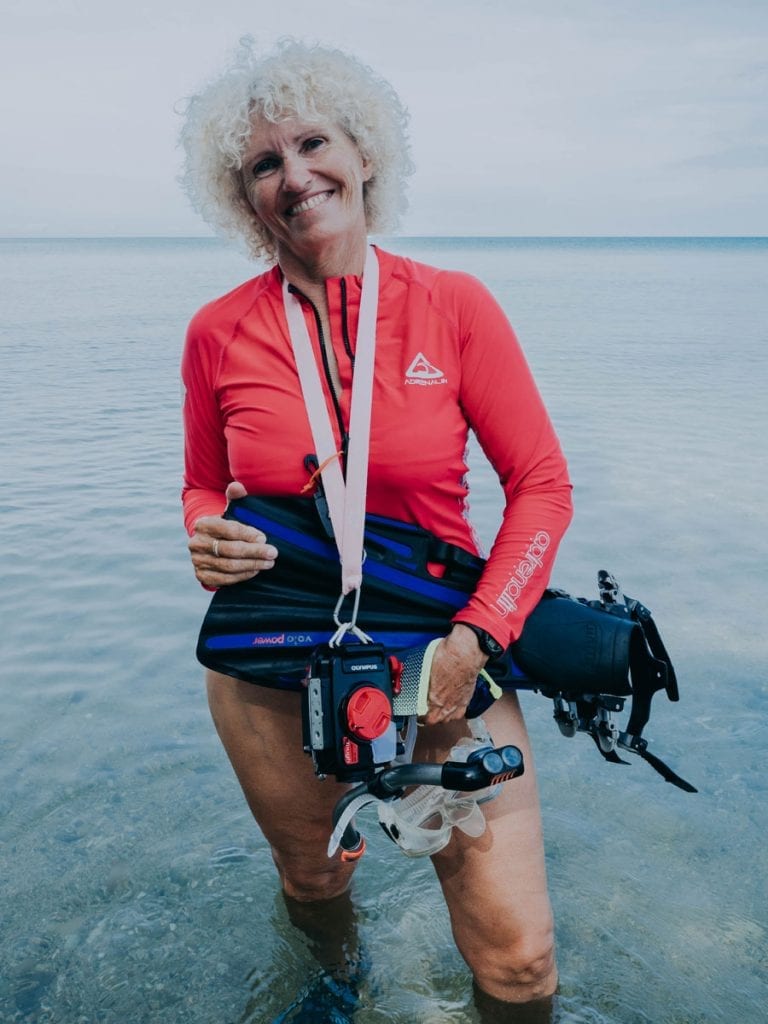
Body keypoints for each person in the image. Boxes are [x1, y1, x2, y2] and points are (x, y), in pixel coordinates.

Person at [179, 38, 573, 1015]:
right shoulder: (216, 332)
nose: (296, 176)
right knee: (318, 883)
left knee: (519, 958)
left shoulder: (453, 306)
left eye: (313, 144)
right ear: (244, 195)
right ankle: (336, 989)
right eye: (264, 163)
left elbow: (542, 483)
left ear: (364, 154)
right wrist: (202, 534)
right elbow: (199, 486)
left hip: (444, 650)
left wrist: (479, 636)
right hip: (275, 659)